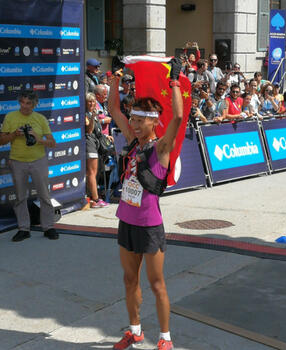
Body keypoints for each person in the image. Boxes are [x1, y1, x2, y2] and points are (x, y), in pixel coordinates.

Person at [107, 58, 183, 350]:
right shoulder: (131, 140)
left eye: (140, 121)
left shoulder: (161, 147)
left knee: (156, 284)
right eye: (134, 120)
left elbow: (177, 117)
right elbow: (114, 108)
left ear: (154, 122)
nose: (135, 125)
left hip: (150, 225)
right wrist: (115, 79)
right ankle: (135, 331)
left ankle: (165, 337)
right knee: (129, 280)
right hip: (126, 219)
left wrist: (174, 80)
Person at [0, 90, 58, 242]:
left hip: (38, 160)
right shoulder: (10, 117)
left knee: (45, 195)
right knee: (20, 197)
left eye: (28, 104)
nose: (24, 106)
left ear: (34, 105)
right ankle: (23, 228)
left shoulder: (40, 118)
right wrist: (14, 135)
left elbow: (52, 143)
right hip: (17, 161)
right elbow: (1, 140)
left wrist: (38, 139)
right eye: (22, 103)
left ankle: (48, 227)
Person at [85, 93, 110, 209]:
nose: (92, 104)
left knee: (95, 173)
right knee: (91, 173)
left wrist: (106, 137)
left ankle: (92, 197)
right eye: (89, 101)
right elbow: (89, 131)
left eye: (93, 101)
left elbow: (97, 131)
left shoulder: (94, 114)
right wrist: (92, 117)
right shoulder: (85, 114)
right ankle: (95, 200)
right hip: (88, 145)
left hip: (95, 145)